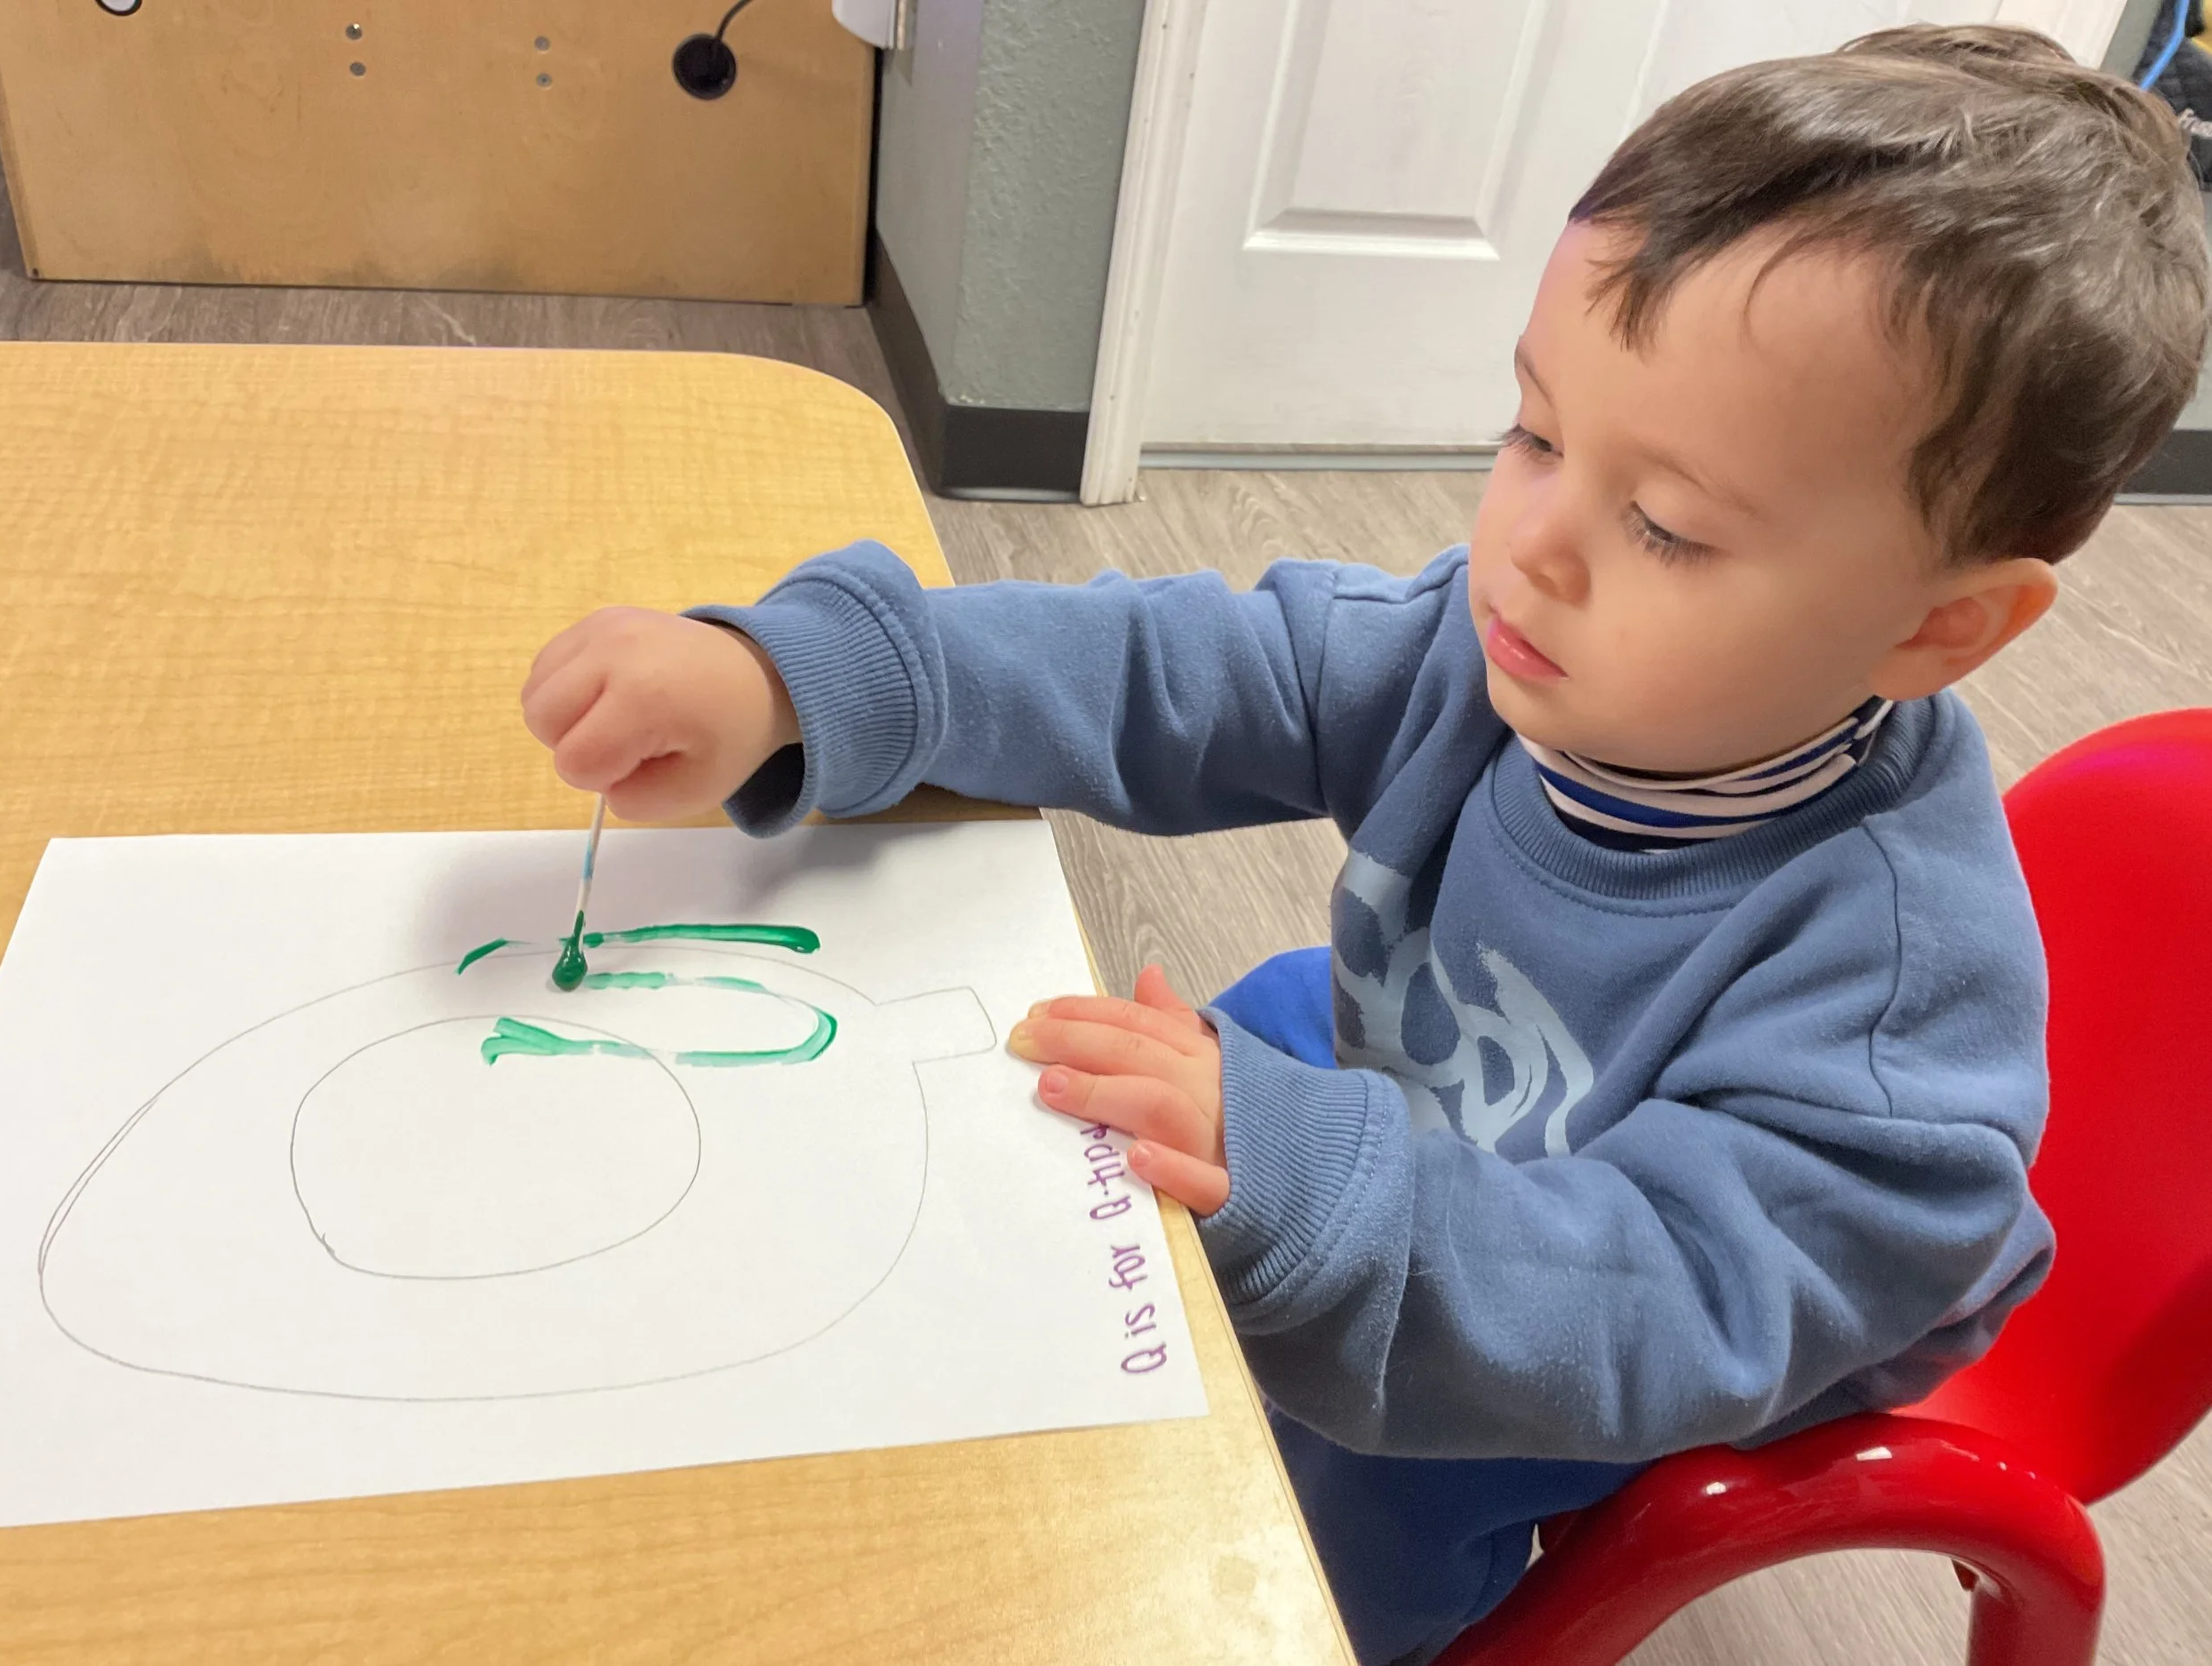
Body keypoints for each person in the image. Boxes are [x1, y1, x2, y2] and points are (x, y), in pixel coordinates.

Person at [517, 26, 2209, 1664]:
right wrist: (810, 680)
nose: (1530, 545)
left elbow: (1665, 1297)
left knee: (1340, 1482)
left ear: (1938, 628)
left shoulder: (1887, 1019)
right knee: (1134, 1084)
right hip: (1445, 1093)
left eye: (1666, 525)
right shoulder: (1506, 641)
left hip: (1658, 1302)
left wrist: (1308, 1184)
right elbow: (1189, 668)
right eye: (1536, 432)